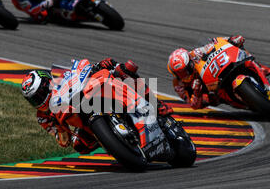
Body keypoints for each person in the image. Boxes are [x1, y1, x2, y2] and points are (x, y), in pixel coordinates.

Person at [21, 58, 172, 154]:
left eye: (40, 95)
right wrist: (61, 132)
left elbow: (79, 68)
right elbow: (62, 140)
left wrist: (97, 66)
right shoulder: (43, 117)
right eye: (34, 100)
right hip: (79, 120)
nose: (39, 101)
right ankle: (115, 142)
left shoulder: (62, 78)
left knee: (120, 69)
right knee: (79, 146)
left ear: (48, 83)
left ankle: (156, 104)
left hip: (84, 96)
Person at [167, 35, 270, 109]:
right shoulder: (178, 85)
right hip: (209, 92)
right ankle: (244, 101)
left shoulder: (195, 54)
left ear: (190, 61)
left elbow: (215, 43)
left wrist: (230, 39)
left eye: (185, 70)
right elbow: (193, 105)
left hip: (217, 72)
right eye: (180, 73)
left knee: (238, 47)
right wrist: (197, 93)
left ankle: (257, 66)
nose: (184, 74)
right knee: (212, 99)